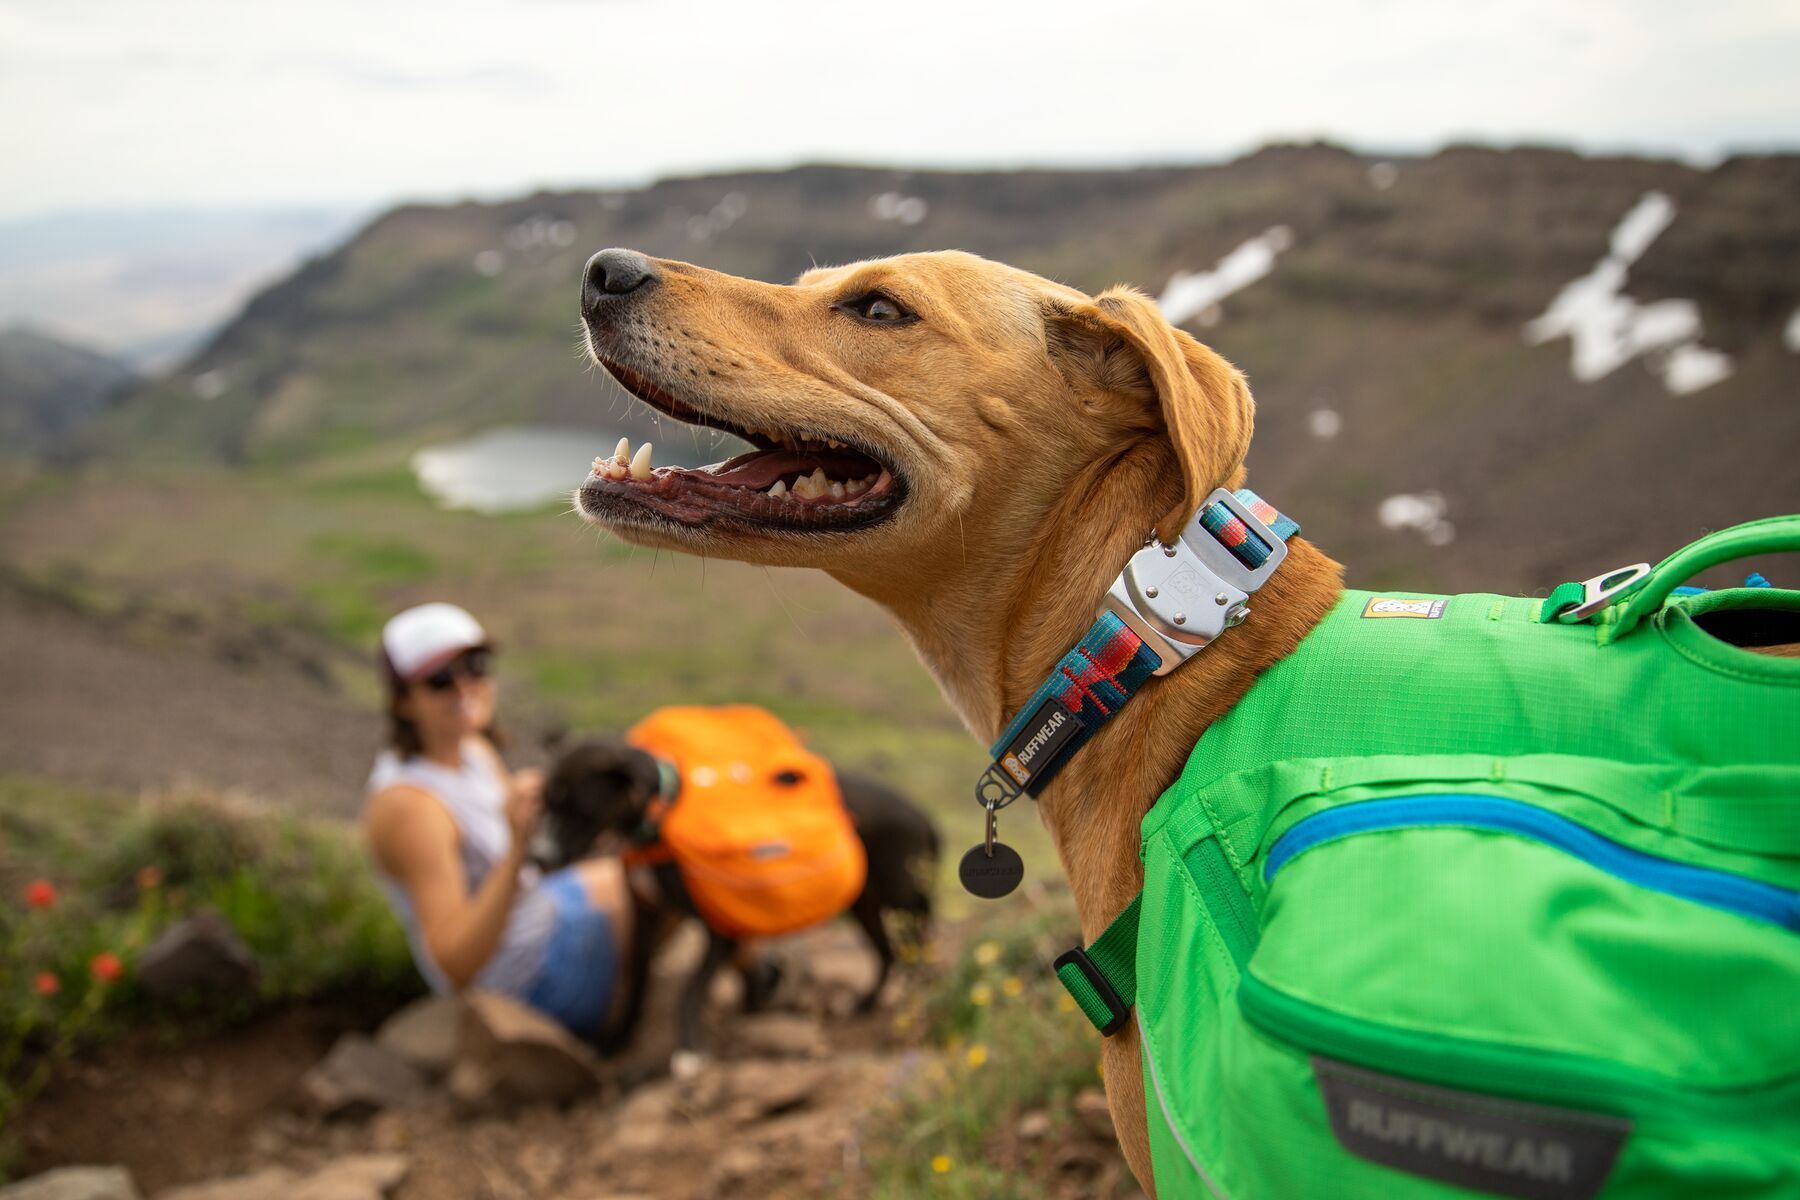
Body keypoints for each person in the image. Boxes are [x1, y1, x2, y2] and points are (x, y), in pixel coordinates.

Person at [362, 602, 630, 1039]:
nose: (465, 686)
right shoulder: (412, 808)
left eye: (475, 666)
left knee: (638, 860)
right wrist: (518, 849)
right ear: (403, 702)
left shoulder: (470, 749)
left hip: (542, 915)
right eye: (440, 679)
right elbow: (453, 964)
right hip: (528, 984)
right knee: (659, 882)